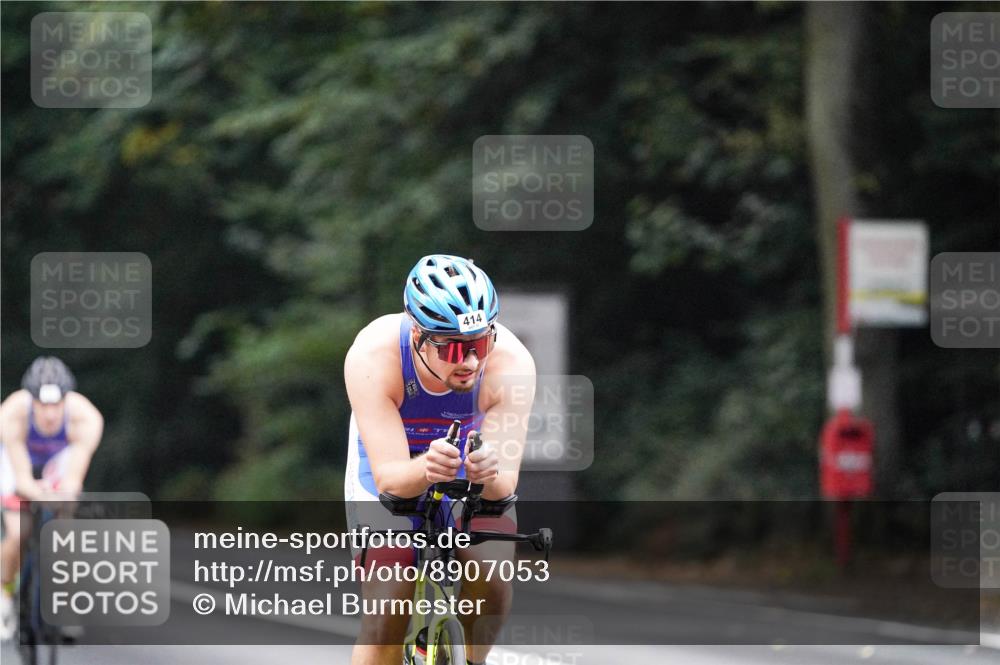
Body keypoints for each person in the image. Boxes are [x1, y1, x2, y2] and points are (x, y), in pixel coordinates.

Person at [344, 254, 536, 665]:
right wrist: (425, 469)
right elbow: (391, 480)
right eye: (451, 348)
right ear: (417, 334)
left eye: (480, 344)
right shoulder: (374, 356)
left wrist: (488, 471)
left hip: (466, 465)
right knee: (390, 599)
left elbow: (503, 485)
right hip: (394, 460)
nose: (469, 361)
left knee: (494, 579)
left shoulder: (512, 364)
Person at [0, 357, 104, 640]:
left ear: (66, 401)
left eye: (56, 405)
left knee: (65, 524)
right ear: (30, 401)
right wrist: (36, 493)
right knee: (18, 531)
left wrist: (63, 495)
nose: (49, 414)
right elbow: (21, 479)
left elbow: (73, 478)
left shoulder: (87, 419)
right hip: (16, 459)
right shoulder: (11, 414)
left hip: (58, 457)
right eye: (42, 405)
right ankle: (4, 594)